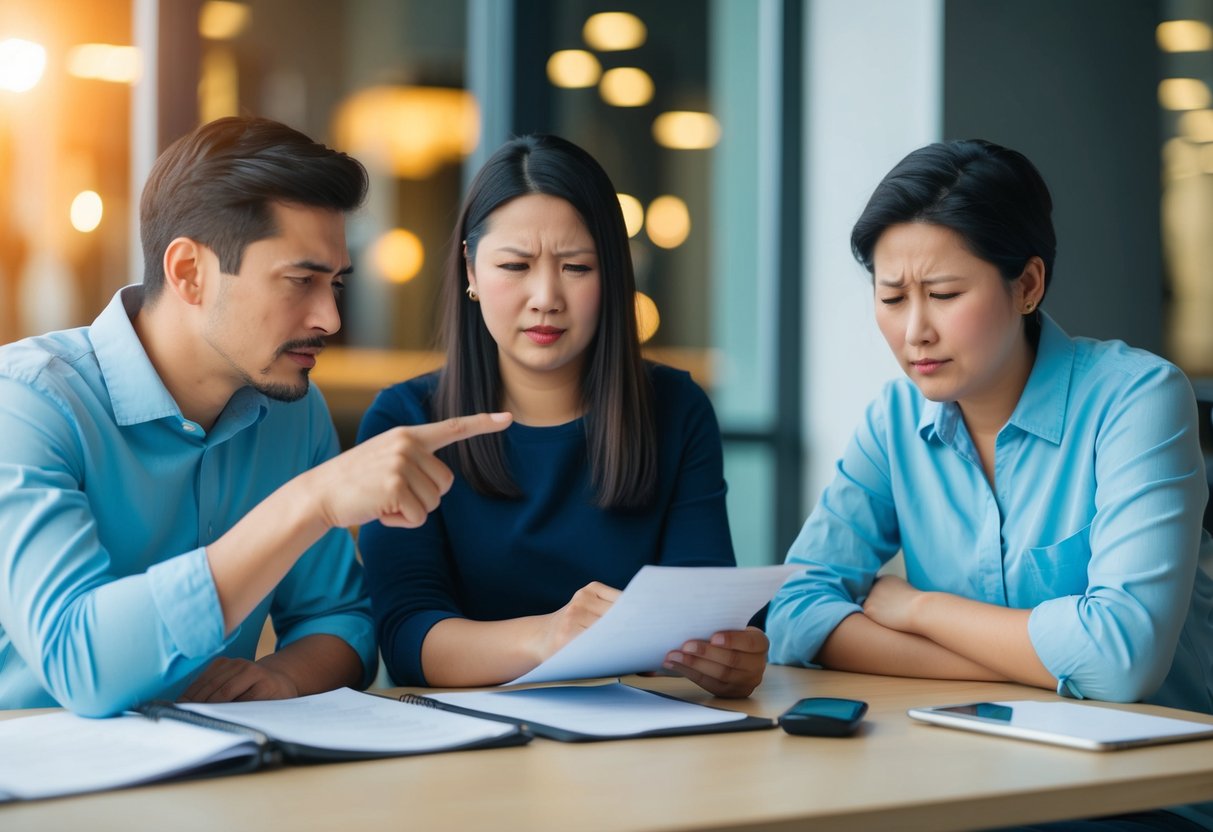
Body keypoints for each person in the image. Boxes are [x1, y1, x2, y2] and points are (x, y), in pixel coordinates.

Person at [767, 139, 1213, 831]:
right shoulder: (894, 419)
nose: (914, 331)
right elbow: (793, 611)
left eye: (943, 295)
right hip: (964, 775)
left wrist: (916, 608)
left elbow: (1119, 659)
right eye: (890, 297)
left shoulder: (1137, 399)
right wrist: (1035, 660)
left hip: (1138, 796)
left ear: (1027, 285)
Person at [0, 116, 510, 717]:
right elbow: (79, 663)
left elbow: (341, 622)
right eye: (300, 281)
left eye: (337, 285)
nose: (330, 319)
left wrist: (285, 677)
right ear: (189, 272)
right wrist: (309, 502)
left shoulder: (292, 410)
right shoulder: (26, 404)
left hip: (219, 782)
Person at [357, 133, 767, 697]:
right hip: (468, 750)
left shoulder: (676, 410)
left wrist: (726, 658)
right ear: (471, 272)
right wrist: (546, 638)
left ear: (613, 275)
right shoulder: (406, 422)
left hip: (638, 743)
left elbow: (697, 610)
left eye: (576, 266)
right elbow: (406, 639)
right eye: (516, 265)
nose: (546, 296)